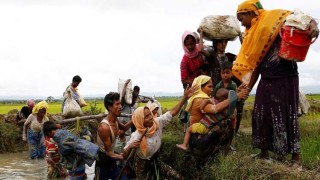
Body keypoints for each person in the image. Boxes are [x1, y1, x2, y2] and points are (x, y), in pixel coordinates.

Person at [233, 0, 319, 165]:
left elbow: (302, 17)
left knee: (289, 114)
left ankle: (295, 158)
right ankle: (264, 153)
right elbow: (256, 65)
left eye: (241, 18)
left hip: (287, 76)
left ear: (250, 12)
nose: (242, 23)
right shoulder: (252, 34)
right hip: (267, 78)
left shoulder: (275, 18)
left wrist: (314, 25)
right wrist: (248, 89)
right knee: (261, 113)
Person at [123, 85, 196, 179]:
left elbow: (172, 112)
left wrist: (185, 97)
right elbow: (124, 155)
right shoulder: (137, 136)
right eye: (146, 117)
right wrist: (130, 146)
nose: (150, 118)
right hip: (141, 164)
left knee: (176, 176)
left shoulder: (157, 123)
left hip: (155, 158)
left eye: (150, 114)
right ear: (140, 120)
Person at [183, 75, 248, 157]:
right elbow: (215, 108)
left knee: (225, 117)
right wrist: (235, 96)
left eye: (212, 87)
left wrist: (235, 93)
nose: (212, 89)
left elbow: (219, 100)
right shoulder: (199, 100)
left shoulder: (202, 98)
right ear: (200, 87)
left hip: (199, 136)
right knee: (226, 122)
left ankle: (219, 152)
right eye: (209, 86)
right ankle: (221, 153)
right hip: (198, 140)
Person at [95, 92, 133, 180]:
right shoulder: (104, 127)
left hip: (111, 161)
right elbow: (108, 152)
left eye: (120, 104)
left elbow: (123, 128)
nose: (120, 107)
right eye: (117, 104)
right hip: (102, 162)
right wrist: (122, 156)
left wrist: (135, 118)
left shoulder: (115, 120)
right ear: (110, 107)